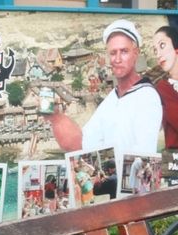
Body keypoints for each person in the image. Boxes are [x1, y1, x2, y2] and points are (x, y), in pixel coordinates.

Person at [47, 19, 162, 159]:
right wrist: (56, 118)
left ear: (136, 53)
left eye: (124, 51)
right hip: (111, 178)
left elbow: (145, 161)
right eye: (113, 53)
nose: (117, 59)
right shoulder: (112, 99)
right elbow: (81, 145)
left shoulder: (147, 97)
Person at [152, 25, 178, 150]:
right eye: (155, 50)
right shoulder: (162, 89)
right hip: (173, 164)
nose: (158, 55)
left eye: (162, 46)